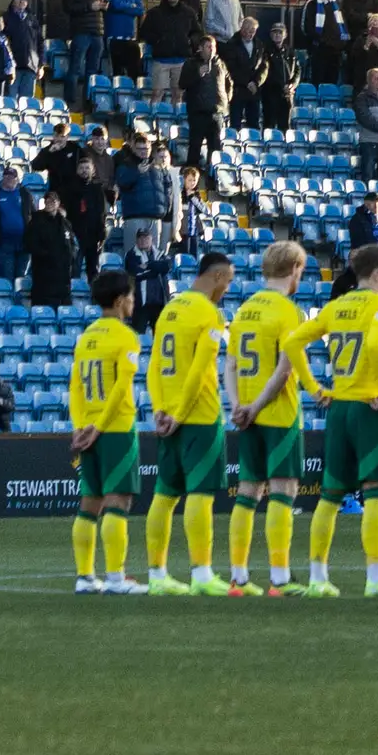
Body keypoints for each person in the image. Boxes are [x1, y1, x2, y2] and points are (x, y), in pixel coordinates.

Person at [306, 244, 378, 597]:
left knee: (330, 496)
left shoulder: (337, 306)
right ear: (377, 273)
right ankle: (376, 578)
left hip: (338, 407)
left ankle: (317, 578)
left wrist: (315, 388)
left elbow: (293, 342)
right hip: (370, 407)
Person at [136, 247, 234, 596]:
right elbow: (198, 371)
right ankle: (202, 573)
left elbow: (153, 367)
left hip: (167, 415)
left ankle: (157, 574)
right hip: (200, 415)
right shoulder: (210, 314)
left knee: (164, 495)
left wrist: (161, 408)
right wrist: (179, 412)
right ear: (219, 277)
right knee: (201, 494)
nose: (228, 289)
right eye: (229, 281)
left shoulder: (169, 310)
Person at [220, 240, 311, 594]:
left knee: (247, 493)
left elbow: (229, 364)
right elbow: (285, 371)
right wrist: (256, 406)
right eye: (301, 270)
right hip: (278, 413)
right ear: (293, 270)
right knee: (283, 492)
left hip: (246, 415)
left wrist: (237, 407)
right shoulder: (290, 313)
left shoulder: (244, 310)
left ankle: (239, 577)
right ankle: (279, 577)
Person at [68, 267, 147, 595]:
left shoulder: (86, 337)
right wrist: (100, 427)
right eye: (130, 296)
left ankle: (85, 577)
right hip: (114, 429)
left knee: (90, 502)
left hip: (87, 429)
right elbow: (120, 388)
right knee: (118, 502)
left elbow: (75, 386)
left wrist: (80, 427)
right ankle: (116, 578)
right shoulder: (126, 336)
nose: (133, 302)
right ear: (119, 300)